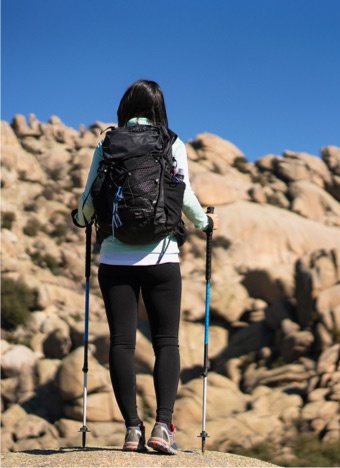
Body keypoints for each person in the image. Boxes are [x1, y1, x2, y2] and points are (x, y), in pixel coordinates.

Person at [74, 79, 219, 454]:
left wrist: (79, 217)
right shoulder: (172, 143)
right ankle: (162, 428)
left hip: (115, 259)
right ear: (158, 108)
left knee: (122, 342)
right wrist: (205, 223)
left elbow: (88, 202)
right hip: (161, 257)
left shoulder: (108, 144)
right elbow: (183, 194)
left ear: (125, 107)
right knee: (166, 341)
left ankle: (131, 430)